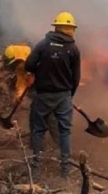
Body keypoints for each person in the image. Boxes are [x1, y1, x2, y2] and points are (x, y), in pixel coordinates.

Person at [25, 11, 81, 179]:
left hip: (43, 95)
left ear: (56, 27)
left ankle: (35, 169)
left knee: (38, 131)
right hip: (63, 95)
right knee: (65, 132)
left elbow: (29, 65)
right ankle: (65, 170)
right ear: (71, 29)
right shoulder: (73, 49)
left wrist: (39, 70)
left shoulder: (43, 45)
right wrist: (69, 95)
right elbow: (76, 78)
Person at [0, 43, 60, 146]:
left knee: (48, 116)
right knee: (37, 115)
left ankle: (59, 146)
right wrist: (19, 96)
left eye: (13, 63)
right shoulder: (21, 67)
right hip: (40, 92)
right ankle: (37, 144)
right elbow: (21, 83)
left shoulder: (40, 60)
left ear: (18, 59)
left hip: (49, 91)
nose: (13, 66)